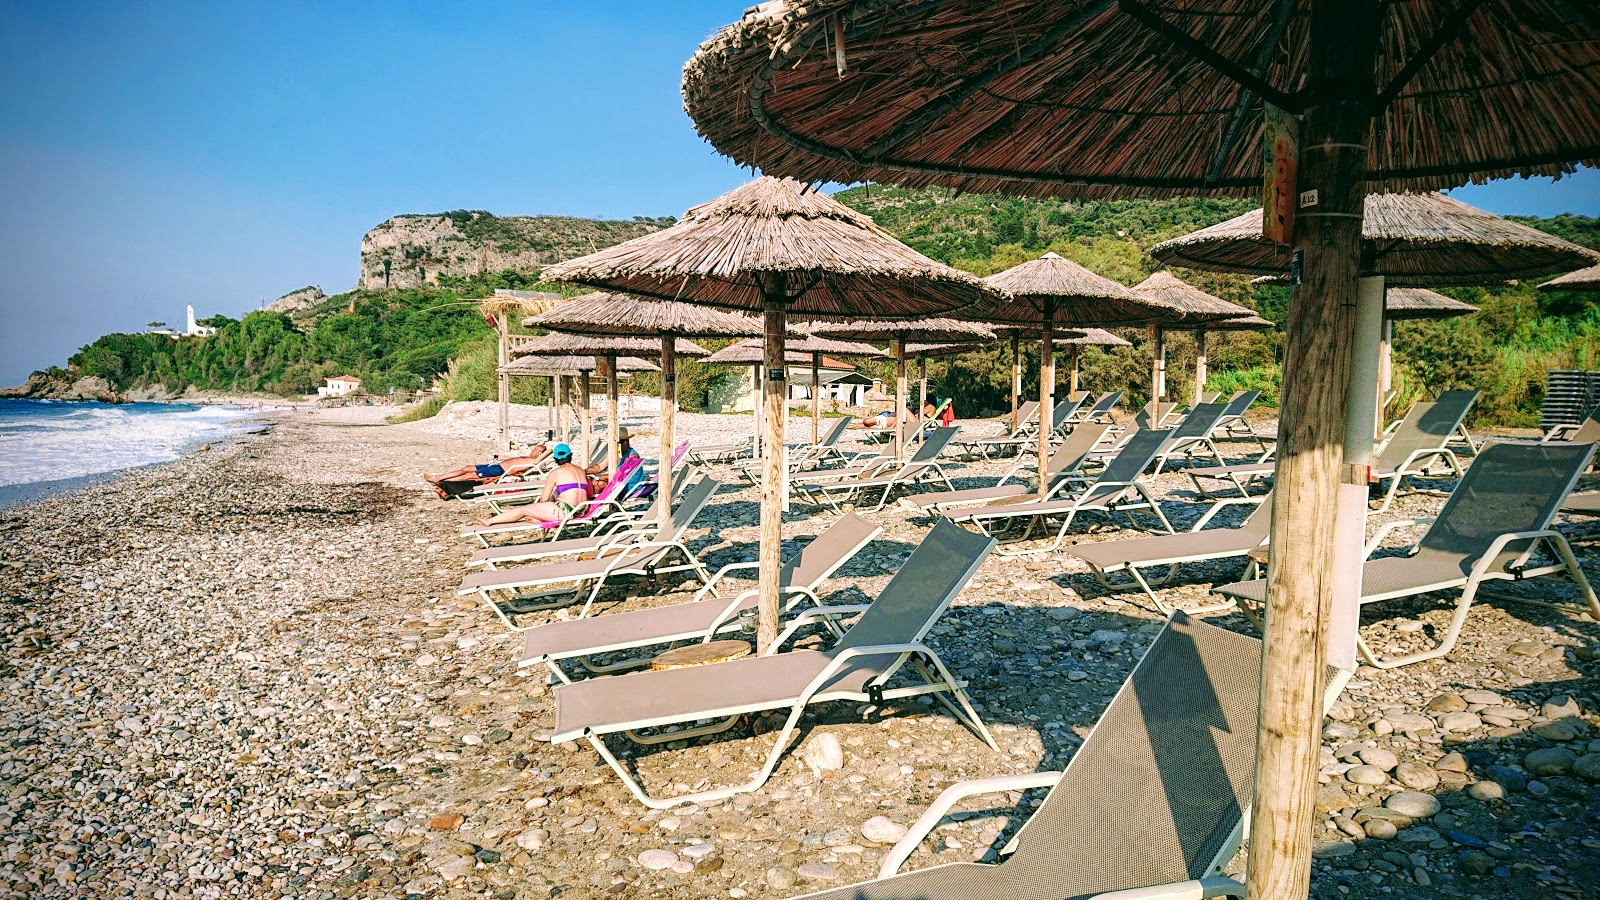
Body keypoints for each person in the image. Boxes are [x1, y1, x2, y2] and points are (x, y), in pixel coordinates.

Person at [473, 444, 591, 526]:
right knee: (556, 493)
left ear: (555, 459)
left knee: (524, 510)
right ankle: (539, 516)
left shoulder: (555, 473)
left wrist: (542, 506)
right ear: (571, 456)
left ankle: (490, 521)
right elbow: (589, 493)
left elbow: (544, 499)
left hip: (566, 512)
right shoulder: (581, 470)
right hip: (582, 510)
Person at [423, 444, 550, 499]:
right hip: (497, 465)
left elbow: (545, 453)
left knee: (469, 476)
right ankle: (440, 478)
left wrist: (548, 450)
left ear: (539, 453)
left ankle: (440, 481)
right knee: (467, 468)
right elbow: (514, 462)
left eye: (535, 449)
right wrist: (503, 458)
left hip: (498, 470)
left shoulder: (534, 461)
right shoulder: (528, 458)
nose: (532, 450)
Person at [588, 427, 645, 495]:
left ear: (625, 442)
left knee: (599, 484)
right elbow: (599, 467)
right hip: (619, 483)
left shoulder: (632, 456)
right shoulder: (617, 454)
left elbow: (621, 475)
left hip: (628, 487)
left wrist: (598, 478)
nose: (615, 446)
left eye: (617, 443)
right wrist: (583, 471)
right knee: (591, 481)